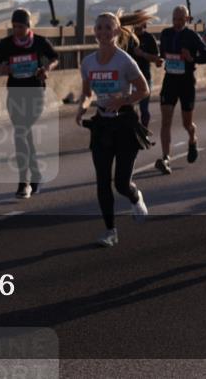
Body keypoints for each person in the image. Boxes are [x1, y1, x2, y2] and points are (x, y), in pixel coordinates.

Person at [76, 13, 151, 247]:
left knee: (121, 183)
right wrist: (82, 107)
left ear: (117, 31)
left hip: (125, 124)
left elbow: (144, 90)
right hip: (102, 125)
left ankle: (135, 196)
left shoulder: (125, 61)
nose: (103, 32)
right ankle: (110, 231)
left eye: (108, 28)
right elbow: (87, 93)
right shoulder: (88, 62)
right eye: (99, 27)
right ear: (94, 31)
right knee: (102, 181)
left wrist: (122, 100)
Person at [0, 8, 59, 198]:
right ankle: (35, 176)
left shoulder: (40, 42)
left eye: (20, 26)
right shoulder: (7, 44)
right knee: (23, 134)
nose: (17, 30)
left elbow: (55, 57)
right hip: (15, 94)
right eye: (14, 26)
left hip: (35, 93)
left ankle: (23, 183)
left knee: (21, 132)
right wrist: (0, 68)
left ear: (29, 26)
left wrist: (47, 69)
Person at [155, 5, 206, 174]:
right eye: (174, 19)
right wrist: (159, 60)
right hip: (170, 81)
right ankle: (166, 158)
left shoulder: (192, 36)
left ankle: (192, 139)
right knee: (166, 121)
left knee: (187, 123)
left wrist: (191, 58)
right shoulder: (166, 34)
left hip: (186, 82)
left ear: (187, 19)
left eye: (180, 19)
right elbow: (163, 54)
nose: (177, 22)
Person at [125, 13, 163, 129]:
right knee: (129, 108)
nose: (137, 24)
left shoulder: (149, 38)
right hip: (129, 80)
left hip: (145, 77)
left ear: (144, 23)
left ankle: (144, 130)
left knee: (144, 108)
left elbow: (156, 59)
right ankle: (134, 132)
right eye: (135, 21)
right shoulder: (127, 38)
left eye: (139, 21)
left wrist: (143, 54)